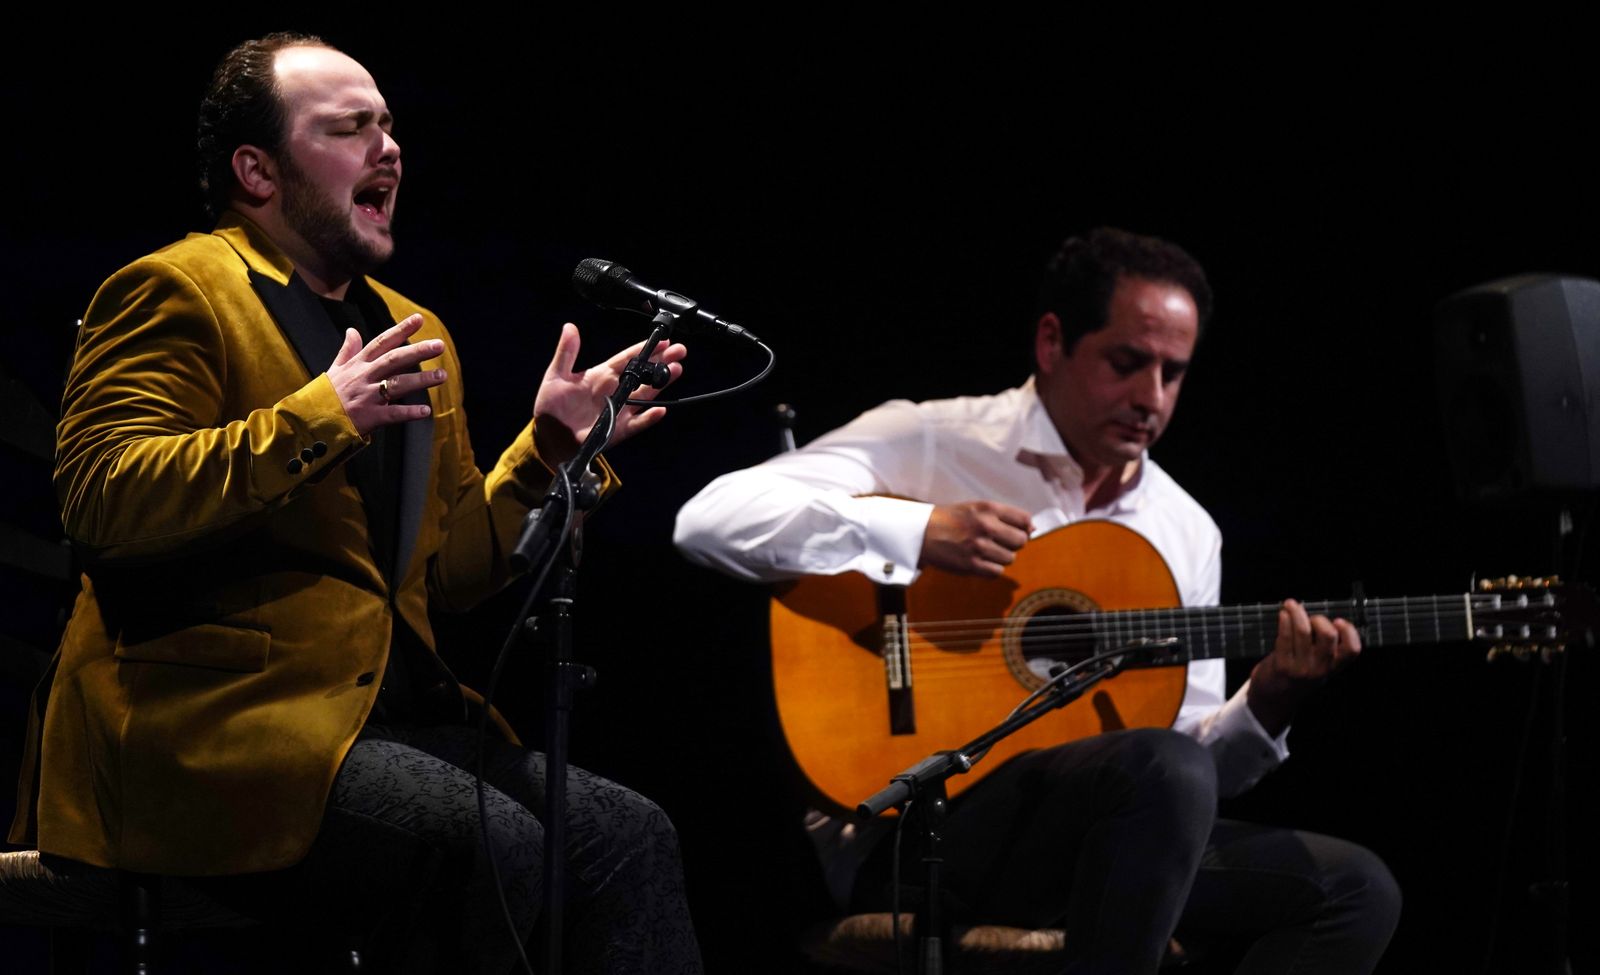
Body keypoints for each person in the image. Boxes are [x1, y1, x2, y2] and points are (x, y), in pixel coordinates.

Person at [9, 33, 701, 974]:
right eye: (349, 129)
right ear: (257, 169)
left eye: (388, 125)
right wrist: (313, 418)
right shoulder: (176, 290)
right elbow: (101, 499)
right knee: (487, 848)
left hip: (383, 722)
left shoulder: (414, 333)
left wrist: (545, 453)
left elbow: (453, 575)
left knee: (630, 834)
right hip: (213, 727)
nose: (389, 148)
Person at [674, 228, 1401, 974]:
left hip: (1112, 835)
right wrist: (919, 529)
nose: (1151, 397)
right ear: (1053, 341)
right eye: (1127, 362)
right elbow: (709, 520)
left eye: (1173, 373)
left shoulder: (1185, 529)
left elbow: (1189, 767)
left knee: (1355, 887)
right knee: (1161, 769)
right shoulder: (935, 440)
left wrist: (1270, 701)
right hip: (914, 828)